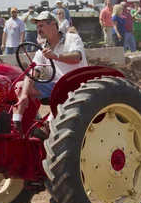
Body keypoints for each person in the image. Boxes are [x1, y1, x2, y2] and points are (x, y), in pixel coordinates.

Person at [12, 11, 87, 139]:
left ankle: (49, 124)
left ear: (53, 24)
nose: (38, 29)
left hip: (77, 84)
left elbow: (76, 57)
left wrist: (55, 56)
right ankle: (17, 123)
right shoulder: (41, 50)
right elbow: (33, 73)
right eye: (37, 27)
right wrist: (24, 94)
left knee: (60, 89)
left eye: (41, 26)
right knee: (21, 85)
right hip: (55, 86)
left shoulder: (72, 38)